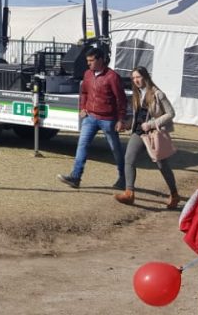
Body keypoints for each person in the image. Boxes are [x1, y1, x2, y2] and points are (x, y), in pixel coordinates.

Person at [57, 46, 127, 190]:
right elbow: (84, 93)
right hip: (90, 117)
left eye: (91, 60)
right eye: (87, 61)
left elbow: (121, 99)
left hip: (108, 120)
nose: (89, 63)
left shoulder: (112, 77)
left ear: (101, 60)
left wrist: (120, 119)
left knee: (116, 149)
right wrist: (82, 107)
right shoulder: (87, 74)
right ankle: (75, 177)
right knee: (82, 145)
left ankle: (124, 179)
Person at [113, 66, 179, 207]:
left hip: (153, 134)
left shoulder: (157, 94)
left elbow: (170, 113)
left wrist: (152, 124)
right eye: (134, 78)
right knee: (129, 159)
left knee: (162, 164)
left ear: (145, 77)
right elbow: (138, 116)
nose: (136, 80)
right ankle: (129, 193)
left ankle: (174, 194)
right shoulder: (137, 94)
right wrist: (127, 124)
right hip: (138, 133)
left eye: (138, 77)